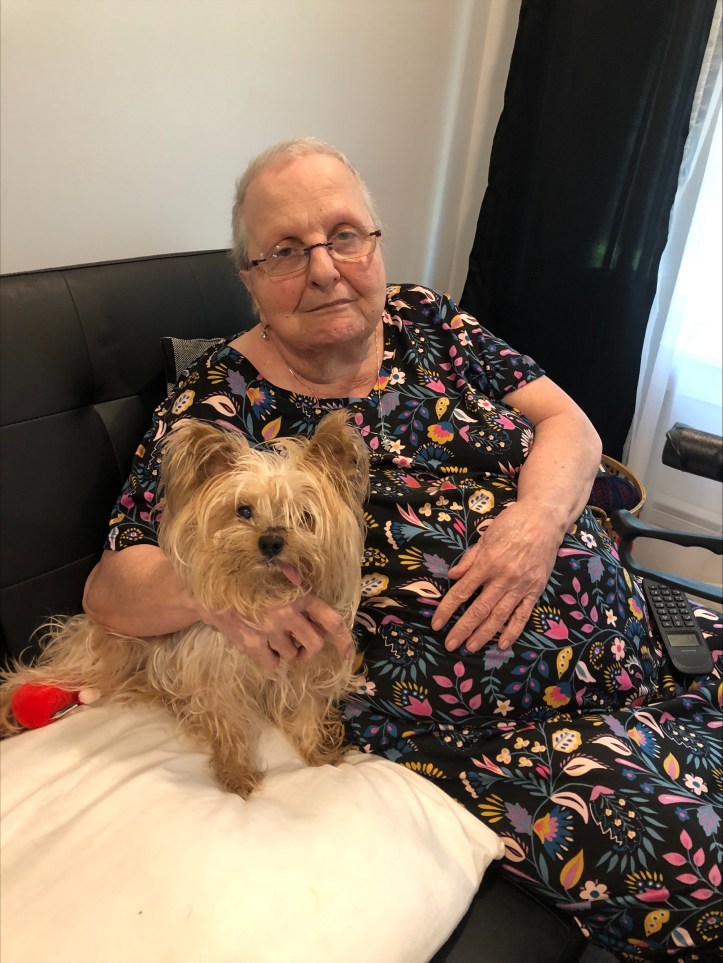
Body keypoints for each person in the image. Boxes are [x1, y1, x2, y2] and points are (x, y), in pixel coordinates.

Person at [84, 138, 722, 961]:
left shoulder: (429, 319)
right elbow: (113, 581)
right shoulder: (216, 398)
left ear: (376, 244)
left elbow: (570, 424)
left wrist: (532, 525)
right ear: (248, 277)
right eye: (285, 250)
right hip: (493, 730)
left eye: (344, 234)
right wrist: (216, 592)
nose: (322, 268)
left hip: (647, 643)